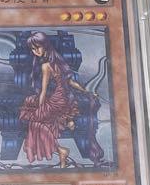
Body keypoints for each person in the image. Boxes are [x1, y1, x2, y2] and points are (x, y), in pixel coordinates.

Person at [18, 32, 103, 168]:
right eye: (33, 49)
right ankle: (62, 150)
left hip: (57, 100)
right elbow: (71, 82)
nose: (35, 51)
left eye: (37, 47)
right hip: (64, 99)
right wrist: (86, 91)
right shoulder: (57, 62)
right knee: (36, 119)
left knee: (35, 123)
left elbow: (44, 90)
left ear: (45, 45)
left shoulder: (46, 66)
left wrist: (40, 108)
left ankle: (61, 150)